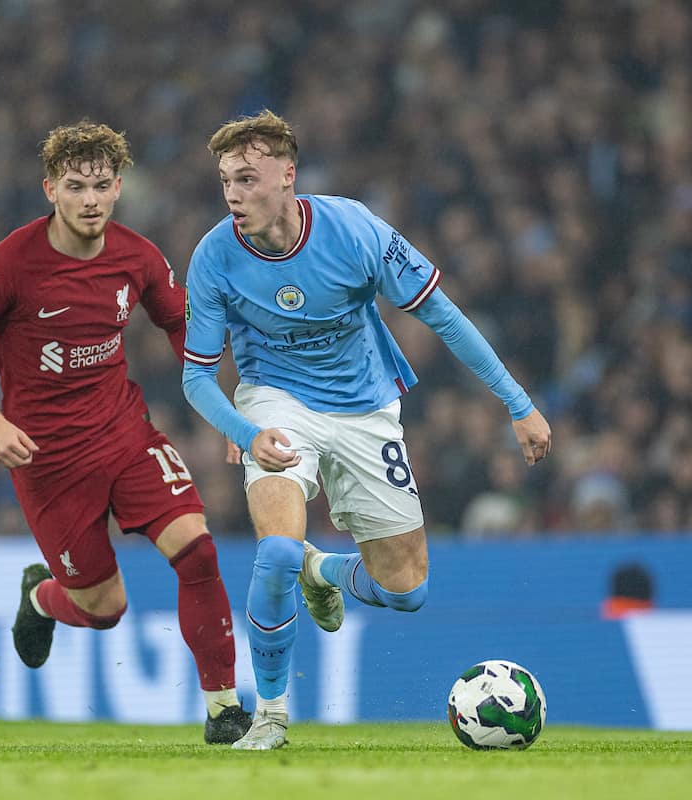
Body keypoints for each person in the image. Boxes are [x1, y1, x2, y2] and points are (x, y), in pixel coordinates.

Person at [181, 110, 552, 750]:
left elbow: (442, 315)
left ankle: (321, 572)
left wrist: (517, 403)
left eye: (246, 178)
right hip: (276, 401)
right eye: (225, 182)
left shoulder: (353, 229)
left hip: (364, 406)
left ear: (287, 175)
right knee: (273, 551)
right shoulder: (214, 256)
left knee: (405, 591)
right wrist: (245, 431)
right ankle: (269, 717)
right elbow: (195, 380)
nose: (233, 195)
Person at [0, 120, 252, 744]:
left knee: (198, 551)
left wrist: (225, 408)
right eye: (76, 187)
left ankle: (223, 710)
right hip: (47, 464)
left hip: (125, 434)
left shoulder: (137, 256)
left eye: (102, 186)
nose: (90, 201)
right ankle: (41, 598)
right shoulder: (11, 263)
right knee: (105, 609)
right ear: (50, 188)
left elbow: (179, 324)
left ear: (119, 188)